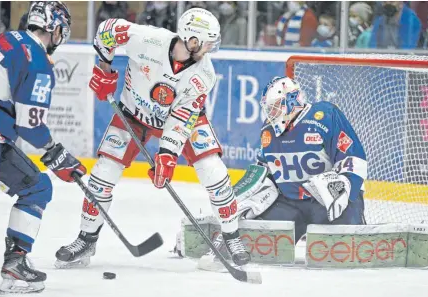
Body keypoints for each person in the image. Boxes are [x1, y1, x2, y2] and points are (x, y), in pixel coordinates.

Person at [55, 8, 251, 269]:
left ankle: (231, 237)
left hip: (180, 121)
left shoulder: (204, 75)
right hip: (133, 116)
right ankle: (86, 239)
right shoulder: (147, 39)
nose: (211, 50)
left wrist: (167, 155)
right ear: (192, 40)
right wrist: (104, 69)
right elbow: (106, 31)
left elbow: (181, 118)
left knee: (214, 171)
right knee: (103, 174)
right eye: (208, 43)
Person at [0, 1, 86, 293]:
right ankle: (15, 266)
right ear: (54, 28)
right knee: (37, 189)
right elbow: (30, 126)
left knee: (37, 186)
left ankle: (16, 265)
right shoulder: (38, 61)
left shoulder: (7, 38)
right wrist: (55, 151)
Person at [238, 76, 367, 243]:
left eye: (275, 107)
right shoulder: (268, 130)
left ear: (291, 102)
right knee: (256, 241)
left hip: (329, 201)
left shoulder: (324, 116)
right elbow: (266, 170)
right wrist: (250, 197)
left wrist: (343, 185)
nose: (271, 113)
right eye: (269, 109)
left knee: (342, 248)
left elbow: (353, 156)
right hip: (291, 203)